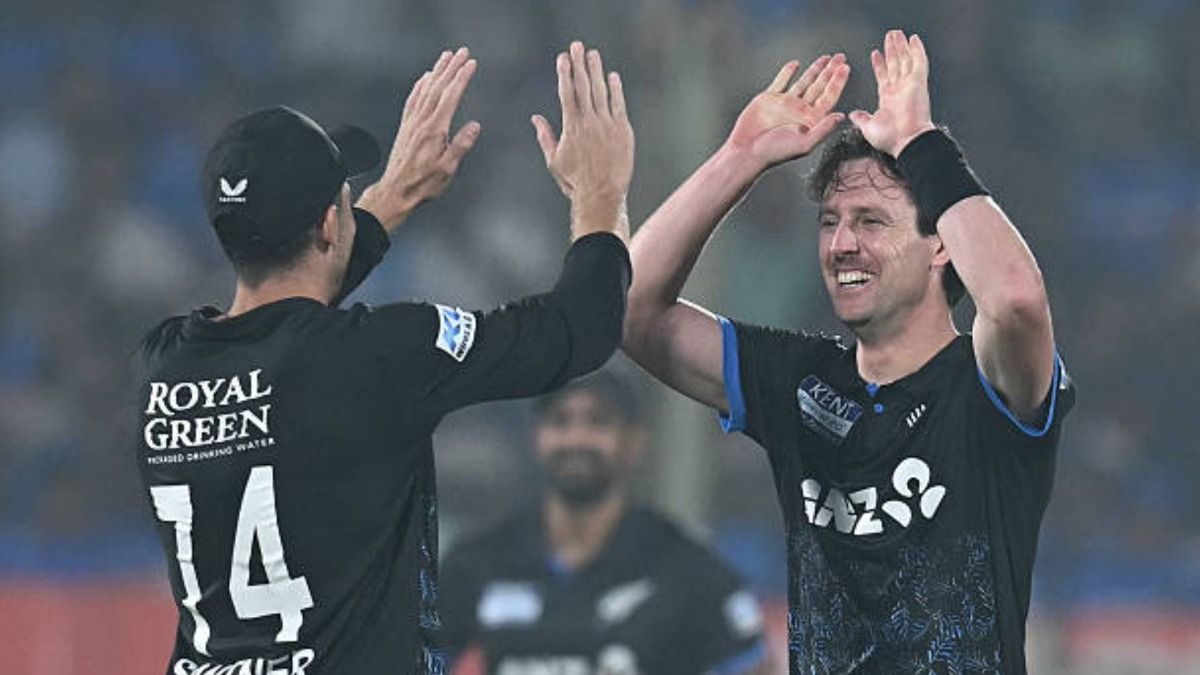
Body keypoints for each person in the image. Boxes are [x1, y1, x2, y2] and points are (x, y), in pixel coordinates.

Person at [133, 42, 634, 675]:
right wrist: (599, 193)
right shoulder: (383, 356)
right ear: (326, 225)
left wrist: (391, 197)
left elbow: (283, 325)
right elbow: (578, 330)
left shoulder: (159, 368)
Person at [621, 31, 1075, 674]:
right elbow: (631, 309)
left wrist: (921, 142)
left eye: (870, 221)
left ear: (939, 245)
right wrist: (739, 158)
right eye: (829, 221)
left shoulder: (985, 381)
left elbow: (1018, 300)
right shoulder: (798, 381)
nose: (840, 245)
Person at [439, 371, 770, 675]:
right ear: (537, 437)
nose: (577, 439)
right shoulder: (478, 562)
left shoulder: (686, 568)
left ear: (634, 441)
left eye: (598, 422)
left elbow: (754, 667)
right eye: (560, 421)